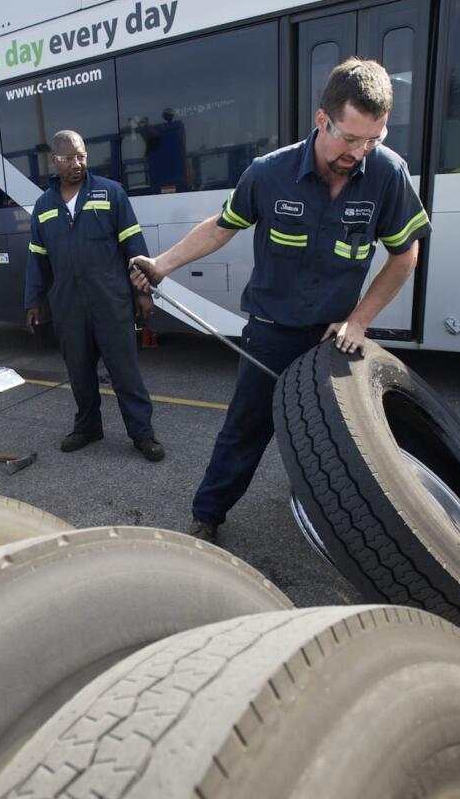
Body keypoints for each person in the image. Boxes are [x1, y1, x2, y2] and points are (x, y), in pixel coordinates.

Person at [130, 58, 430, 539]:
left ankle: (340, 523)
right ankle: (208, 516)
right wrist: (162, 264)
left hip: (335, 337)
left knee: (338, 435)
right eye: (350, 138)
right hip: (270, 331)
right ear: (321, 120)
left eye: (374, 139)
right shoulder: (268, 174)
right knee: (245, 429)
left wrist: (359, 320)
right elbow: (221, 228)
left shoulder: (387, 174)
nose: (361, 151)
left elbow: (404, 255)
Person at [26, 130, 164, 461]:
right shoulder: (44, 206)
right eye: (69, 158)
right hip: (69, 307)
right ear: (54, 161)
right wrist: (33, 301)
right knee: (80, 373)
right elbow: (37, 259)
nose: (77, 163)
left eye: (82, 155)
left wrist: (144, 293)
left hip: (111, 302)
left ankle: (143, 435)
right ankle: (88, 427)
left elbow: (134, 247)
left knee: (125, 373)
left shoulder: (110, 193)